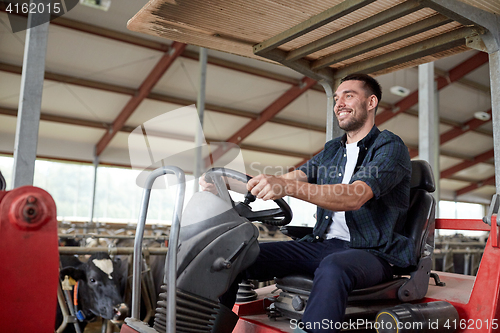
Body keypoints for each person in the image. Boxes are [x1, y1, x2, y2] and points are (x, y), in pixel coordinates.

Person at [200, 73, 412, 332]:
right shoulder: (334, 150)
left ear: (371, 102)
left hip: (372, 252)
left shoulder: (389, 146)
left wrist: (286, 186)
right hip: (323, 246)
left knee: (334, 268)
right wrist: (225, 183)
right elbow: (286, 179)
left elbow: (355, 196)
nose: (339, 103)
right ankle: (209, 328)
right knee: (233, 255)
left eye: (349, 95)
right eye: (336, 98)